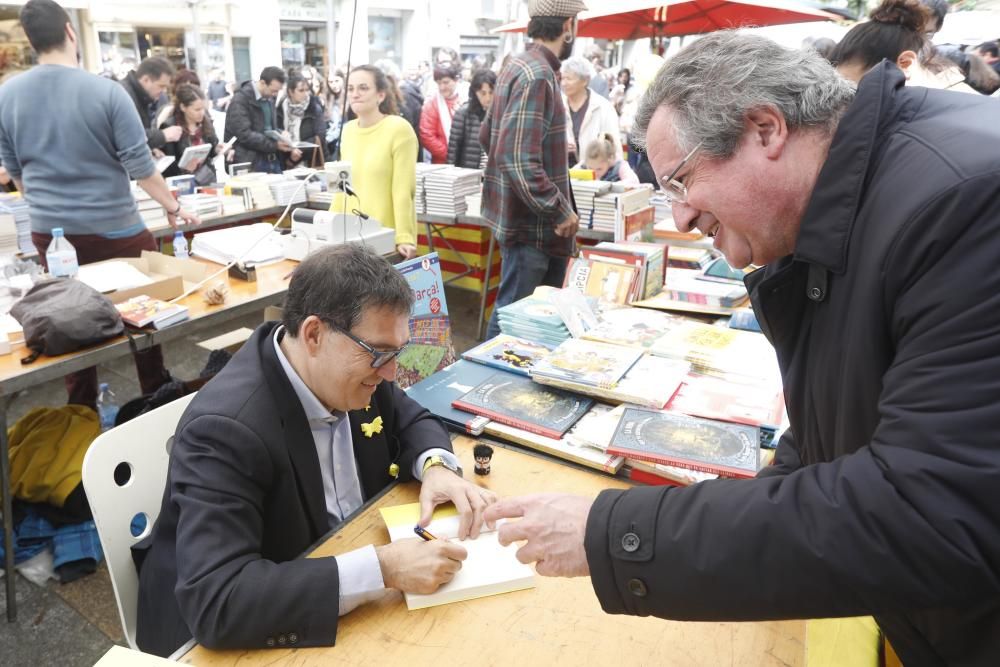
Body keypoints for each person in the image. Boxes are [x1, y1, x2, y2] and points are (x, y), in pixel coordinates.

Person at [484, 30, 1000, 665]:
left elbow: (927, 512)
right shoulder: (855, 205)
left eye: (679, 181)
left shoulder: (964, 203)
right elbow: (829, 437)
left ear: (765, 130)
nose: (680, 219)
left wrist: (611, 534)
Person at [134, 243, 495, 657]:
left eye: (398, 352)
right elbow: (218, 601)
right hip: (225, 637)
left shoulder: (352, 368)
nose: (392, 372)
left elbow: (413, 419)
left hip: (331, 570)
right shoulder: (225, 431)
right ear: (313, 334)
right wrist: (383, 569)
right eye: (381, 354)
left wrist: (436, 467)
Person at [0, 0, 200, 411]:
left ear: (31, 40)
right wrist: (173, 206)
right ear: (71, 32)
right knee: (143, 312)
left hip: (49, 231)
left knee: (67, 316)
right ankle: (154, 393)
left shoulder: (7, 94)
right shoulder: (105, 91)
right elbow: (141, 165)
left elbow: (15, 169)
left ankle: (81, 407)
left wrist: (47, 201)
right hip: (115, 229)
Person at [480, 0, 587, 340]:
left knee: (522, 317)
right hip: (535, 227)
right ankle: (480, 384)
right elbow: (516, 158)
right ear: (568, 25)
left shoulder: (520, 66)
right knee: (515, 318)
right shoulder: (538, 73)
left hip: (526, 222)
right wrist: (557, 208)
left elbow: (490, 137)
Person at [336, 65, 419, 259]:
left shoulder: (399, 129)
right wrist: (326, 227)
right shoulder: (347, 130)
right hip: (349, 240)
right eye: (350, 89)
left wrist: (404, 236)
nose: (355, 94)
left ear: (380, 95)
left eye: (363, 88)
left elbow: (403, 189)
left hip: (385, 239)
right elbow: (342, 188)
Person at [832, 0, 978, 95]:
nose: (917, 40)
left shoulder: (946, 85)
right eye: (911, 28)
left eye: (927, 34)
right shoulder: (865, 43)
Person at [224, 66, 297, 173]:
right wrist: (275, 145)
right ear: (262, 83)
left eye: (277, 91)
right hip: (250, 161)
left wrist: (281, 134)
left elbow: (268, 127)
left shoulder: (269, 98)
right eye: (273, 91)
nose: (275, 95)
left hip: (271, 158)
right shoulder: (240, 100)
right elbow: (244, 134)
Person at [561, 56, 621, 166]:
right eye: (562, 78)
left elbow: (613, 146)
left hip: (595, 175)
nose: (564, 83)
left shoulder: (603, 107)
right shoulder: (557, 105)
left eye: (568, 79)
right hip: (562, 173)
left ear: (584, 81)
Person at [160, 84, 222, 184]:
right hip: (182, 183)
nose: (202, 113)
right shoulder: (170, 127)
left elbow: (210, 153)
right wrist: (184, 168)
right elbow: (166, 164)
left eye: (203, 108)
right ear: (183, 107)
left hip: (206, 179)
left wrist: (217, 149)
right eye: (197, 109)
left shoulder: (206, 122)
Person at [119, 55, 181, 153]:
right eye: (161, 86)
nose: (164, 91)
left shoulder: (139, 95)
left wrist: (151, 149)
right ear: (146, 80)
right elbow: (128, 135)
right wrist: (163, 135)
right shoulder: (124, 96)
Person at [447, 68, 496, 169]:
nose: (488, 98)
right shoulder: (463, 114)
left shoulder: (501, 113)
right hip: (468, 175)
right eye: (483, 93)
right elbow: (453, 152)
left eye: (491, 92)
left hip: (492, 176)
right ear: (475, 92)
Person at [276, 72, 326, 168]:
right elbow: (278, 131)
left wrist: (298, 151)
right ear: (291, 92)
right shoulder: (281, 108)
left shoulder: (314, 108)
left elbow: (320, 136)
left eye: (307, 90)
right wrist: (290, 153)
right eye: (301, 90)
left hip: (310, 161)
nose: (306, 94)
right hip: (286, 161)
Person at [419, 63, 465, 164]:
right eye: (439, 83)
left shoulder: (466, 98)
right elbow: (426, 135)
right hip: (442, 162)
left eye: (446, 82)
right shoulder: (432, 104)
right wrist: (449, 153)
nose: (442, 87)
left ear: (456, 80)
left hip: (467, 159)